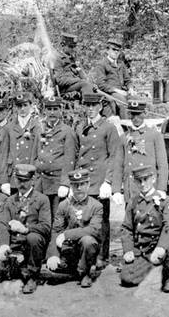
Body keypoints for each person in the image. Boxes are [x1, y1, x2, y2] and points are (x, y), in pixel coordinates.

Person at [59, 93, 123, 270]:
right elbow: (71, 156)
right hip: (82, 181)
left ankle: (102, 255)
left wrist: (108, 182)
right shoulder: (79, 127)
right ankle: (82, 254)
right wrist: (68, 182)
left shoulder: (108, 128)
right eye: (87, 105)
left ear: (100, 107)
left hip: (100, 180)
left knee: (101, 220)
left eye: (94, 105)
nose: (90, 108)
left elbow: (115, 156)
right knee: (80, 218)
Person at [0, 164, 51, 294]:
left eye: (25, 180)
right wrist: (4, 245)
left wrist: (26, 229)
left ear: (32, 180)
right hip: (14, 243)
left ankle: (32, 276)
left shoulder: (42, 199)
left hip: (31, 244)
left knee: (34, 238)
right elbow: (3, 224)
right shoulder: (10, 200)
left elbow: (45, 227)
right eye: (19, 180)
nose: (22, 184)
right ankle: (16, 267)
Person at [120, 165, 169, 293]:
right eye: (139, 181)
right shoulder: (133, 202)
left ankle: (166, 277)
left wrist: (161, 247)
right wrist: (128, 249)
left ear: (153, 179)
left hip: (156, 247)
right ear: (135, 182)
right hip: (141, 248)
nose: (143, 184)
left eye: (146, 179)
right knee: (126, 279)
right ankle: (150, 270)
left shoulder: (165, 201)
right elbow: (126, 227)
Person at [46, 168, 103, 288]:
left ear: (88, 184)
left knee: (88, 240)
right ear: (71, 186)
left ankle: (85, 273)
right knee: (53, 268)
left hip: (86, 248)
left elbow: (94, 229)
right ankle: (71, 267)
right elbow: (56, 230)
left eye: (82, 184)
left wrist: (67, 234)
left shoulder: (96, 206)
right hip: (69, 248)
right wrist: (53, 254)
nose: (79, 188)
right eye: (76, 185)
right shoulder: (63, 205)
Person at [112, 99, 168, 206]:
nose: (136, 118)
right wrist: (116, 191)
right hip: (131, 191)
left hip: (150, 190)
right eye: (133, 114)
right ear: (129, 114)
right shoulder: (124, 138)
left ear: (145, 114)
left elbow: (162, 164)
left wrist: (161, 189)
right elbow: (118, 166)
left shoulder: (154, 136)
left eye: (139, 114)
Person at [36, 96, 77, 218]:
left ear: (61, 110)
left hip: (56, 183)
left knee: (56, 218)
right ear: (45, 111)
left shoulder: (67, 131)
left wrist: (65, 183)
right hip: (41, 183)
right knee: (41, 218)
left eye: (55, 109)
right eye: (49, 109)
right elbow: (36, 154)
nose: (52, 112)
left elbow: (70, 160)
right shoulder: (41, 129)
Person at [90, 38, 132, 117]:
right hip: (110, 93)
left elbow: (128, 80)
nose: (116, 52)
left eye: (118, 50)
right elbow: (101, 85)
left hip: (123, 91)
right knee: (122, 102)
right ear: (107, 50)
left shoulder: (121, 64)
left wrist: (131, 88)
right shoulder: (102, 64)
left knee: (137, 100)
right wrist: (117, 91)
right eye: (113, 49)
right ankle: (126, 127)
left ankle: (138, 126)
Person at [8, 93, 42, 189]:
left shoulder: (37, 126)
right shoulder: (10, 126)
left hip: (29, 173)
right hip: (14, 174)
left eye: (25, 105)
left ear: (31, 106)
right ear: (15, 108)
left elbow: (38, 152)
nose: (22, 109)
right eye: (19, 106)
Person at [53, 33, 95, 98]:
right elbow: (60, 80)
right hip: (65, 89)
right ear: (63, 45)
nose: (73, 49)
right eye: (70, 46)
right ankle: (89, 106)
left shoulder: (74, 58)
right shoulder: (58, 59)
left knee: (93, 87)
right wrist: (77, 80)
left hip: (76, 84)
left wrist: (79, 69)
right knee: (85, 84)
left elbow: (84, 77)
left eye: (74, 46)